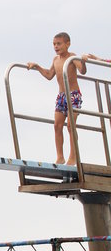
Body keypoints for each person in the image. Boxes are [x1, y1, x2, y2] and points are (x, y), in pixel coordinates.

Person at [27, 33, 87, 165]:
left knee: (71, 126)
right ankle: (60, 156)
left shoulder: (72, 57)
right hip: (61, 96)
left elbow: (82, 71)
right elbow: (49, 75)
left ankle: (73, 156)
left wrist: (82, 60)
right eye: (54, 44)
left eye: (59, 44)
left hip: (73, 95)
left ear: (68, 44)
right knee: (57, 126)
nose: (56, 46)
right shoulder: (56, 60)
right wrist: (36, 66)